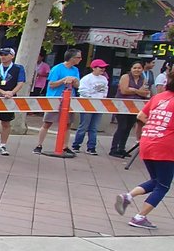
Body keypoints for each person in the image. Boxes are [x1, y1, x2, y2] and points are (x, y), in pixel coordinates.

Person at [114, 79, 174, 229]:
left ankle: (128, 196)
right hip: (165, 146)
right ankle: (140, 217)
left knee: (156, 180)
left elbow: (141, 115)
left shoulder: (159, 97)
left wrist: (156, 126)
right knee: (163, 185)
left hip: (148, 141)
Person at [33, 48, 82, 155]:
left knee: (68, 124)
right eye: (78, 57)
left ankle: (65, 146)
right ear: (72, 58)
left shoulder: (75, 70)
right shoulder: (57, 68)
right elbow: (51, 84)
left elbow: (77, 85)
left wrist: (74, 81)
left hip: (69, 98)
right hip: (55, 98)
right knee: (47, 122)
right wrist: (64, 80)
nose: (80, 59)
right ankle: (39, 145)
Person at [110, 61, 151, 158]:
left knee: (128, 128)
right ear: (131, 69)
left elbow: (145, 93)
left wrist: (133, 90)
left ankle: (122, 148)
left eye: (139, 68)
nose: (137, 70)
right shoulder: (125, 77)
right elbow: (124, 91)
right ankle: (114, 149)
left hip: (135, 107)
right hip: (122, 106)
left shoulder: (143, 79)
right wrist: (138, 91)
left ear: (142, 69)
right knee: (122, 126)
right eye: (135, 68)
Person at [71, 59, 110, 154]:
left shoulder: (104, 79)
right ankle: (76, 145)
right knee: (83, 126)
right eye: (100, 67)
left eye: (104, 67)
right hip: (87, 105)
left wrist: (103, 98)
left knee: (94, 127)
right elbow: (82, 91)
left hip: (99, 105)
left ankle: (91, 147)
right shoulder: (86, 78)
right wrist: (91, 98)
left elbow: (105, 90)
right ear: (94, 68)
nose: (103, 69)